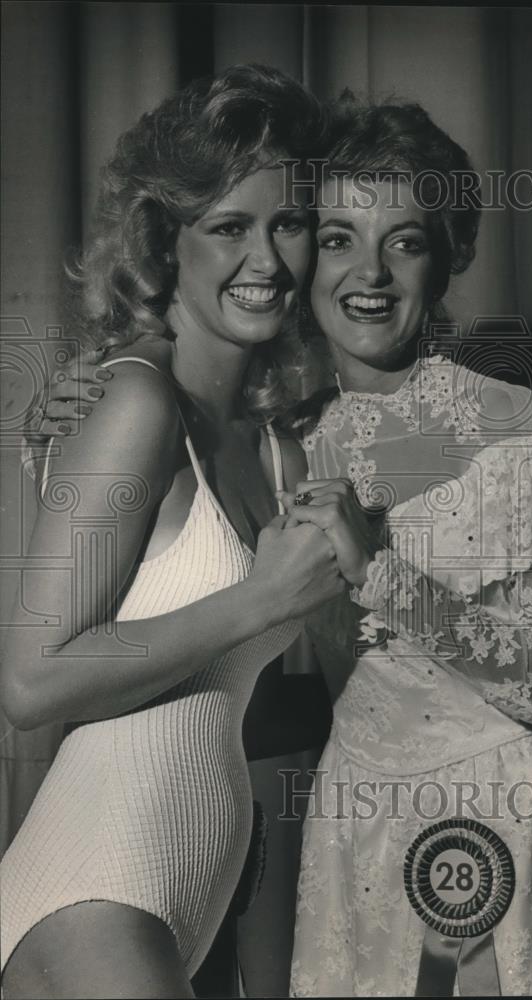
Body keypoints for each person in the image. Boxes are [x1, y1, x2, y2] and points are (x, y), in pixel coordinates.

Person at [31, 94, 532, 996]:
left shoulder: (503, 427)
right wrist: (66, 421)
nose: (370, 273)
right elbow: (276, 680)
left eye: (406, 241)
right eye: (338, 237)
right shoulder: (294, 428)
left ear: (448, 255)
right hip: (343, 830)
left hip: (477, 824)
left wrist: (381, 573)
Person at [0, 65, 344, 1000]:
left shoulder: (278, 451)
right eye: (228, 226)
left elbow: (231, 705)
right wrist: (262, 600)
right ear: (165, 242)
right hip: (93, 892)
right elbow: (30, 682)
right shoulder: (134, 399)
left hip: (187, 902)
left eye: (290, 223)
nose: (267, 260)